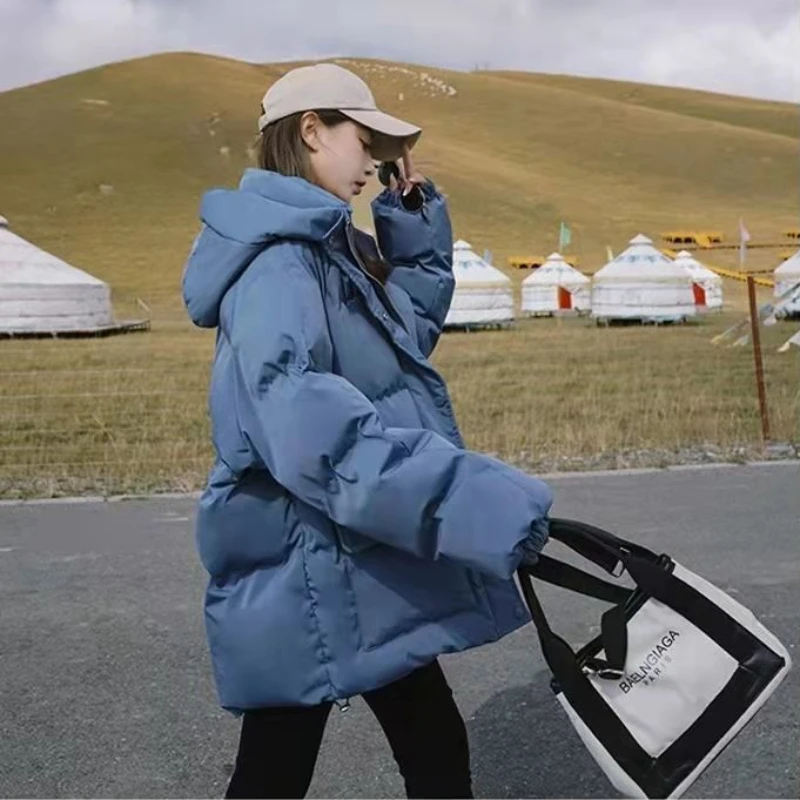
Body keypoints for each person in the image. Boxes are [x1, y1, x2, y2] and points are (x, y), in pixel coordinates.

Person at [182, 63, 553, 799]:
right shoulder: (281, 263)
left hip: (355, 556)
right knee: (276, 771)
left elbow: (394, 349)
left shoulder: (324, 249)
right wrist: (462, 498)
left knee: (433, 749)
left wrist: (412, 232)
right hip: (308, 561)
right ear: (311, 129)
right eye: (365, 138)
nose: (376, 162)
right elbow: (313, 432)